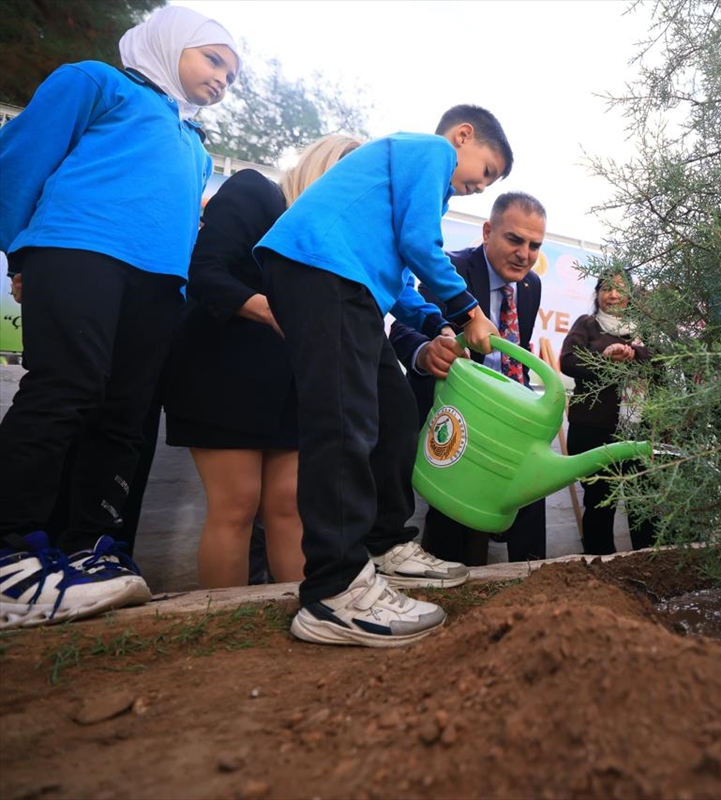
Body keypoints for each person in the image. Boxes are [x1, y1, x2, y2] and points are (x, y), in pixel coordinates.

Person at [0, 6, 239, 628]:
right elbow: (20, 160)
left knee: (124, 418)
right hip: (77, 253)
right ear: (169, 43)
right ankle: (9, 554)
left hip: (160, 288)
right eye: (214, 59)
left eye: (232, 75)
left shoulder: (194, 146)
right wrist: (21, 253)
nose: (222, 80)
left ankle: (90, 550)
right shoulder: (95, 81)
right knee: (64, 389)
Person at [254, 104, 510, 647]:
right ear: (463, 136)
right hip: (321, 271)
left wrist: (439, 324)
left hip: (348, 280)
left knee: (393, 412)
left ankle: (384, 545)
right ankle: (335, 590)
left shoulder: (390, 198)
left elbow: (397, 279)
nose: (477, 187)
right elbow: (421, 247)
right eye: (485, 172)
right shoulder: (430, 150)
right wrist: (469, 312)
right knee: (342, 425)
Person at [161, 135, 368, 588]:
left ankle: (302, 613)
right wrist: (269, 308)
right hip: (222, 368)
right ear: (324, 167)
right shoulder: (256, 192)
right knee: (235, 505)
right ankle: (223, 627)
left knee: (290, 505)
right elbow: (203, 271)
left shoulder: (335, 240)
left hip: (289, 384)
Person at [390, 192, 548, 566]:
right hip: (454, 413)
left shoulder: (531, 286)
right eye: (515, 239)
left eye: (534, 245)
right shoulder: (451, 270)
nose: (524, 254)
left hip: (504, 413)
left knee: (532, 488)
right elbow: (402, 331)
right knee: (453, 517)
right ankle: (444, 588)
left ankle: (536, 582)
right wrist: (427, 354)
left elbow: (515, 347)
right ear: (488, 231)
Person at [560, 269, 656, 555]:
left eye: (620, 289)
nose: (613, 295)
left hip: (639, 431)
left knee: (644, 502)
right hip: (594, 432)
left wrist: (633, 353)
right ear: (597, 294)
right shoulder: (587, 325)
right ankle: (599, 569)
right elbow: (567, 361)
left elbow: (661, 361)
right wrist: (603, 359)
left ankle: (647, 562)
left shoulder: (645, 329)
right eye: (606, 288)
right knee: (599, 503)